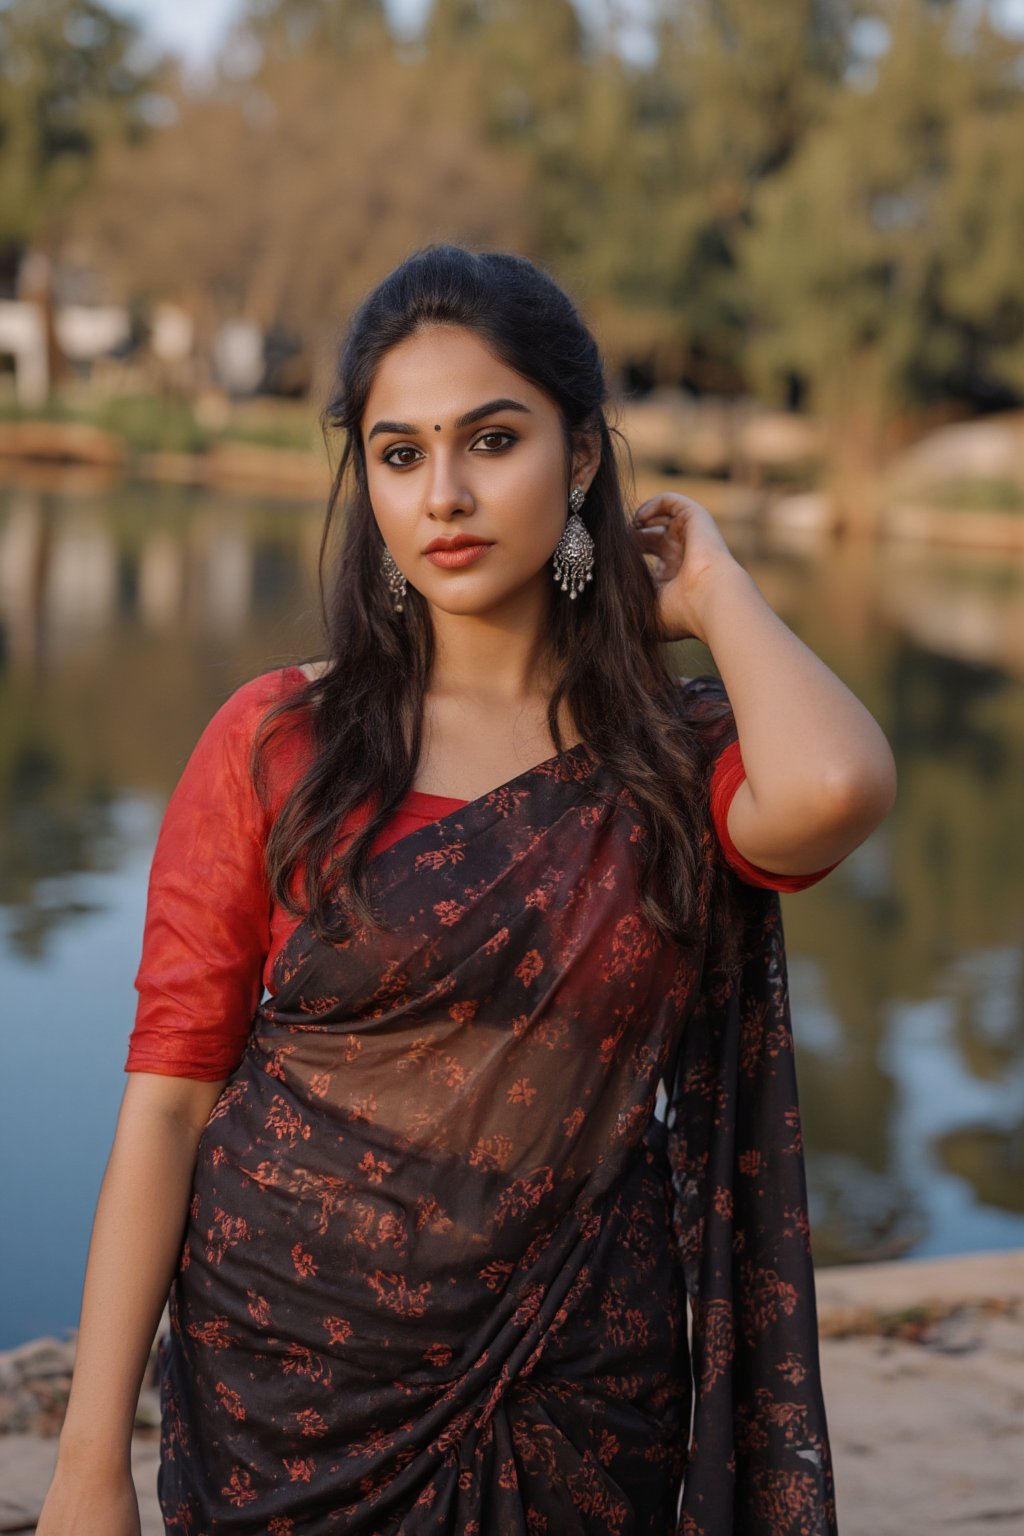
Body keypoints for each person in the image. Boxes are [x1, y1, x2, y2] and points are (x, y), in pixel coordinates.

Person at [38, 245, 896, 1536]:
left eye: (492, 439)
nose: (443, 492)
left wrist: (714, 589)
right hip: (290, 1384)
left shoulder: (667, 756)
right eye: (398, 452)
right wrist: (87, 1465)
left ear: (585, 456)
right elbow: (168, 1104)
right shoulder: (282, 743)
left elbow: (836, 785)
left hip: (575, 1388)